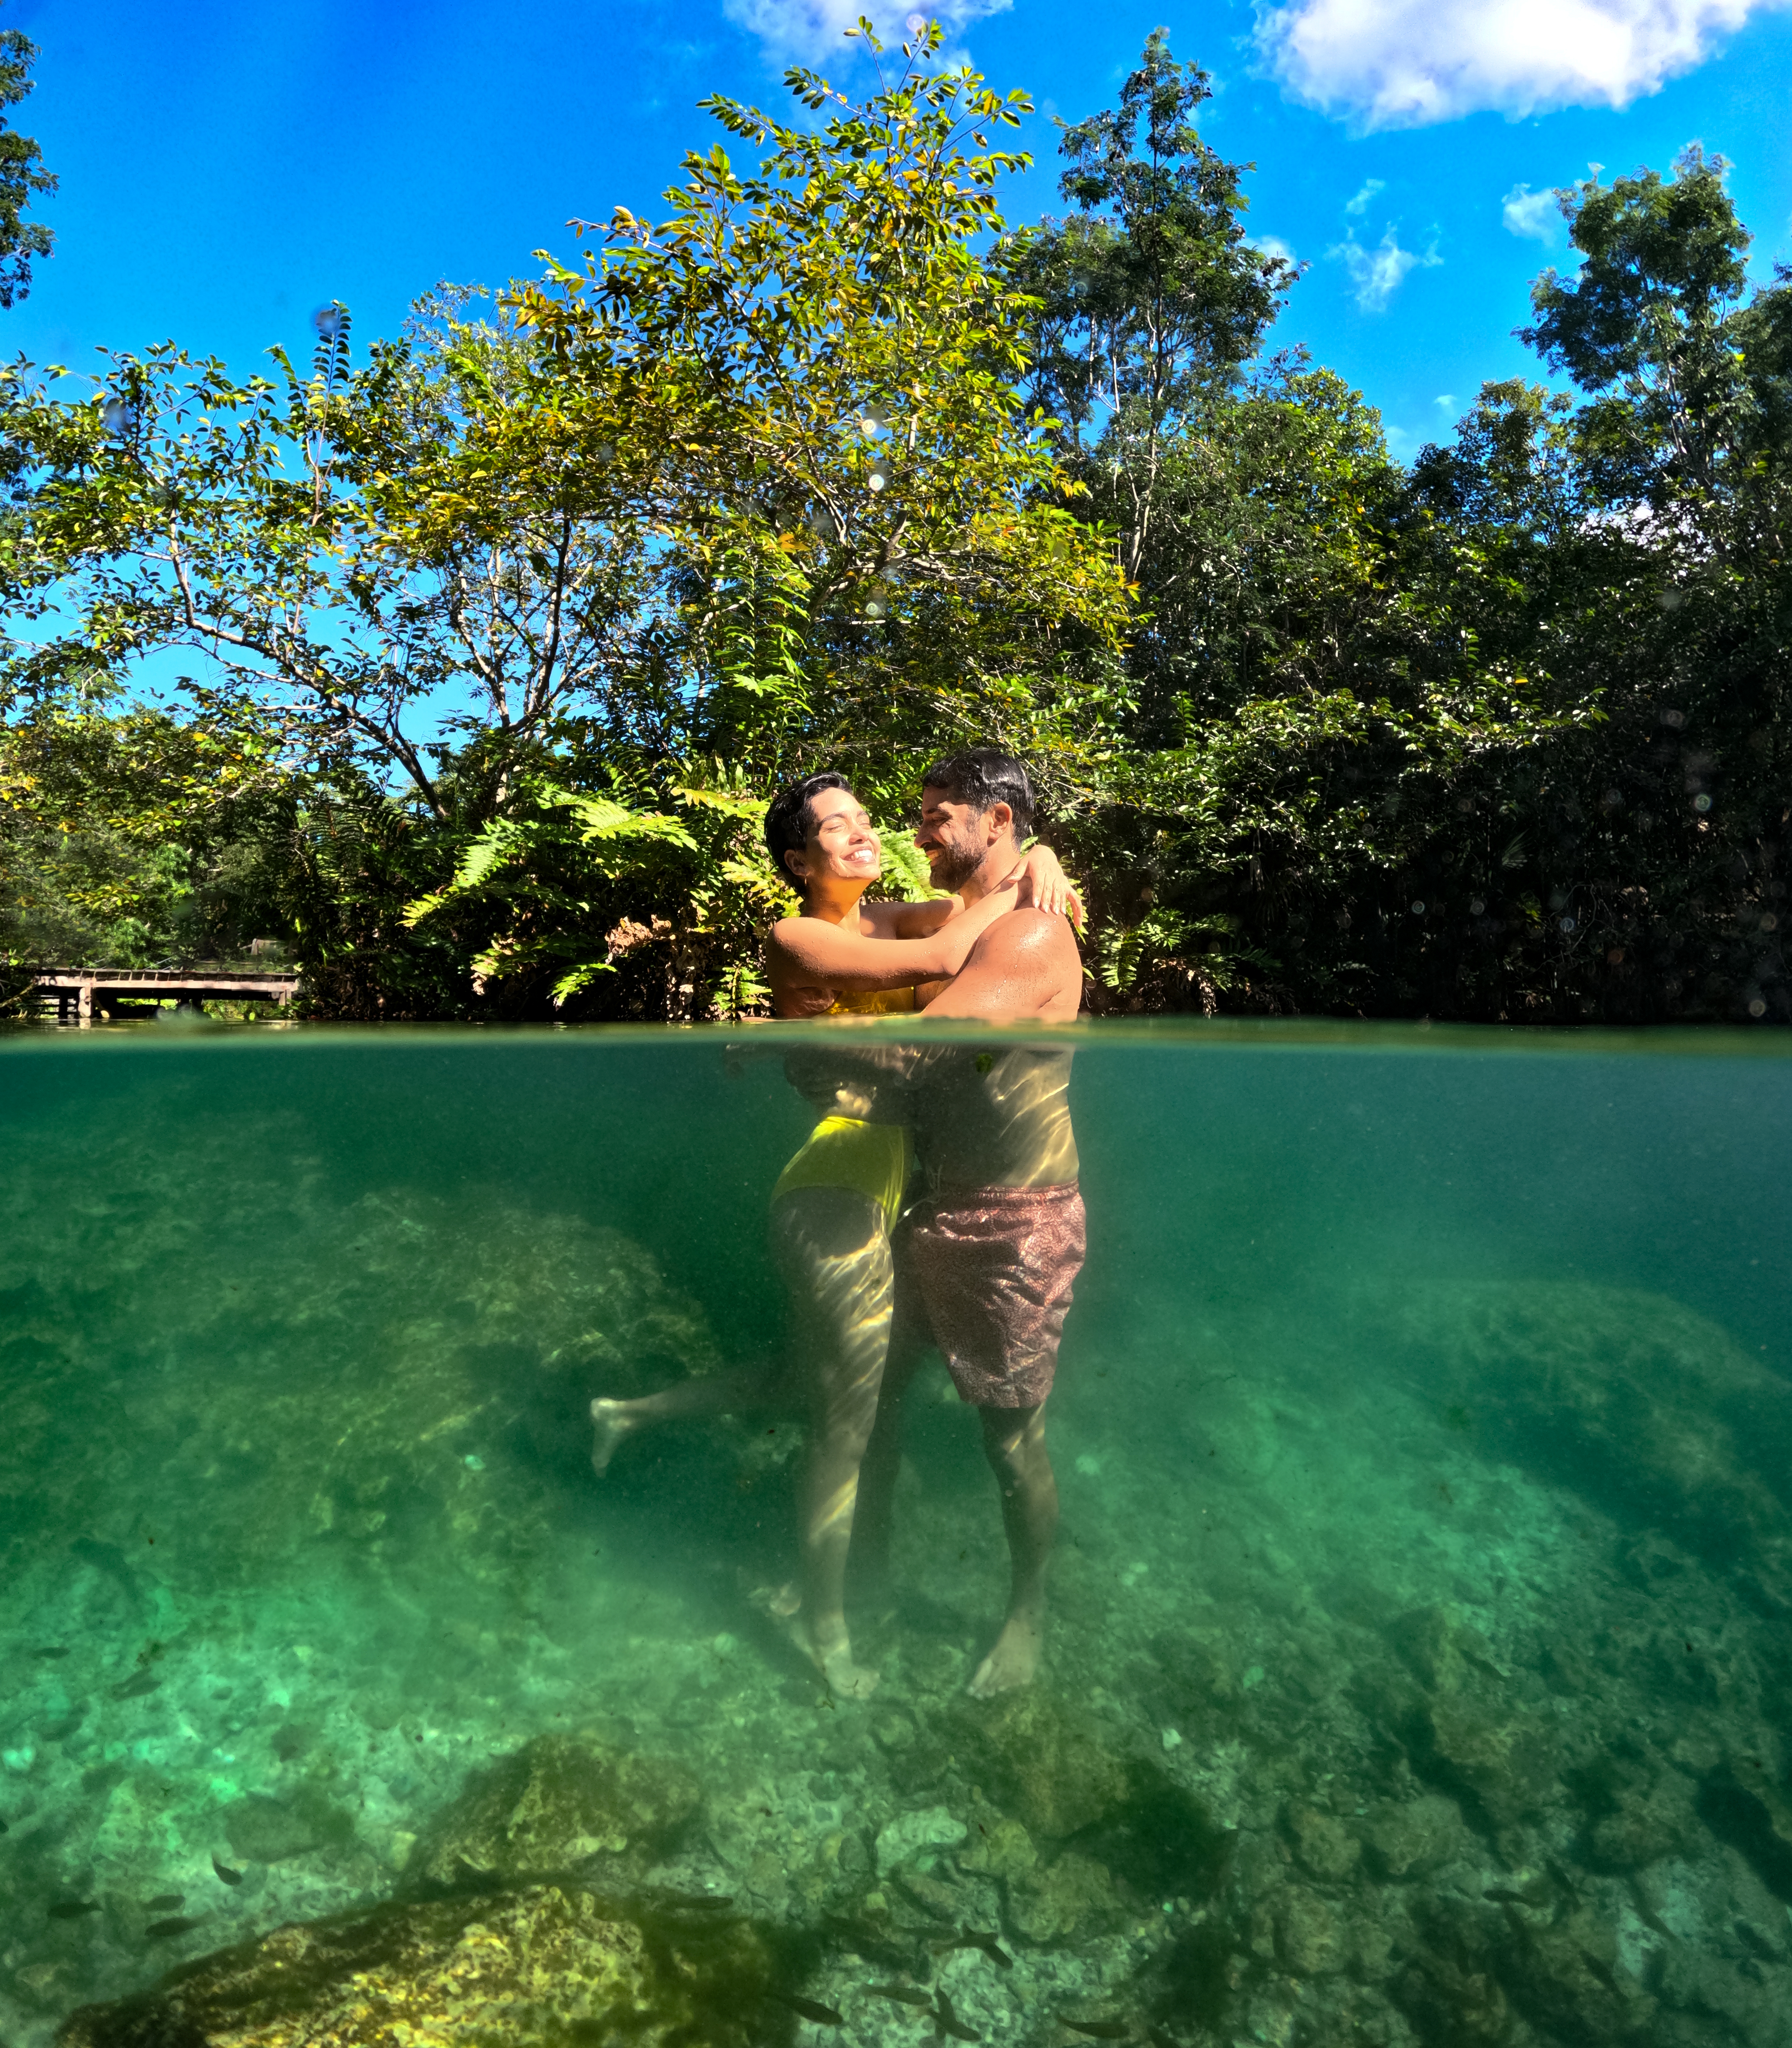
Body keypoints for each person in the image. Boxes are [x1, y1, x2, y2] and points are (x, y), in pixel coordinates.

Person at [589, 770, 1074, 1698]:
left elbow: (974, 912)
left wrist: (1039, 852)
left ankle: (628, 1413)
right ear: (797, 860)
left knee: (807, 1383)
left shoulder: (890, 918)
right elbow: (957, 949)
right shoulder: (798, 934)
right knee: (843, 1427)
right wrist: (1025, 864)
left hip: (906, 1189)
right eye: (835, 827)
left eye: (865, 818)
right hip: (842, 1179)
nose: (864, 833)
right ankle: (824, 1630)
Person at [852, 748, 1087, 1697]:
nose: (918, 833)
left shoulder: (1031, 936)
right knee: (872, 1401)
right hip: (931, 1201)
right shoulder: (960, 920)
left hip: (1016, 1228)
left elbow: (914, 1051)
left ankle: (1027, 1611)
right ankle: (861, 1575)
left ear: (996, 821)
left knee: (1009, 1444)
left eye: (937, 815)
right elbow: (844, 926)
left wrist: (785, 1041)